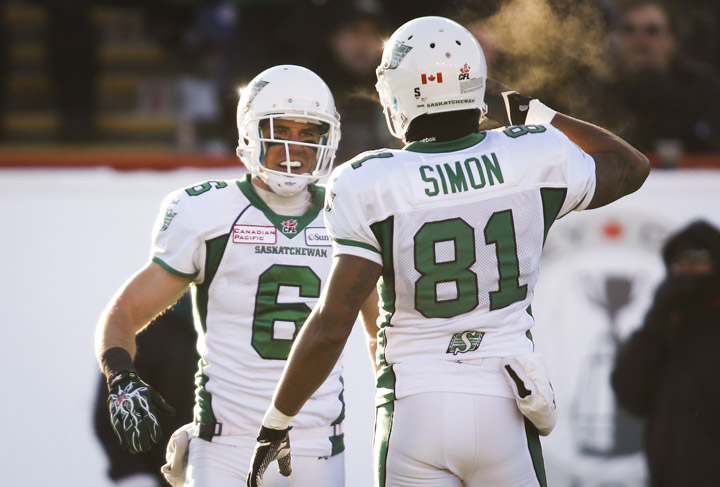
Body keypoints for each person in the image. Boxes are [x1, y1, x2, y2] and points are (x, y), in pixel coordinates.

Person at [247, 16, 650, 487]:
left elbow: (330, 326)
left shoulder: (369, 179)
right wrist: (524, 108)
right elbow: (630, 165)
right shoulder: (534, 153)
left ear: (398, 92)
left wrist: (277, 420)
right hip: (506, 400)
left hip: (416, 404)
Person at [94, 64, 380, 487]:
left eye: (308, 134)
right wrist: (121, 377)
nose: (293, 148)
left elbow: (379, 330)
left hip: (317, 443)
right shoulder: (208, 212)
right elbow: (126, 309)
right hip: (226, 445)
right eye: (280, 131)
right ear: (249, 133)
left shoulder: (347, 210)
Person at [611, 220, 720, 487]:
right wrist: (657, 320)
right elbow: (629, 396)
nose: (685, 267)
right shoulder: (665, 331)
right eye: (677, 259)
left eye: (696, 256)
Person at [586, 1, 720, 158]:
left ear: (672, 40)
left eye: (652, 31)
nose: (640, 41)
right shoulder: (599, 91)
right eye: (629, 30)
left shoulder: (703, 89)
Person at [93, 293, 198, 487]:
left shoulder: (243, 330)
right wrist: (134, 475)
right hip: (156, 476)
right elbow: (115, 408)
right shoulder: (145, 326)